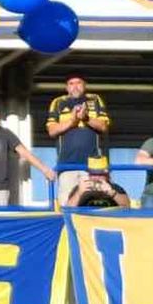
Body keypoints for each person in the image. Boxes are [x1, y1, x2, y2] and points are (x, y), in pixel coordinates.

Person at [47, 74, 109, 205]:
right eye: (71, 83)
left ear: (85, 85)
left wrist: (86, 118)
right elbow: (52, 131)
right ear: (66, 87)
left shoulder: (95, 99)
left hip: (93, 168)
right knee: (67, 204)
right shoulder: (58, 102)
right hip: (66, 165)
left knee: (93, 203)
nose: (75, 87)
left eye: (78, 83)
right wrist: (72, 121)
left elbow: (103, 127)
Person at [64, 155, 129, 208]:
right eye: (93, 174)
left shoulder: (114, 188)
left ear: (107, 175)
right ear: (89, 175)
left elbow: (127, 205)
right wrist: (79, 193)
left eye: (100, 174)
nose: (97, 178)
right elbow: (68, 209)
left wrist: (112, 193)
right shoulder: (81, 188)